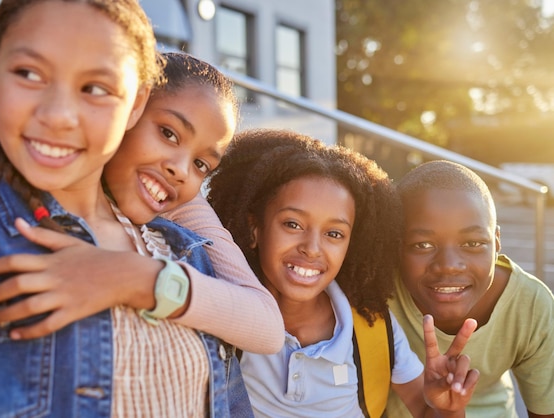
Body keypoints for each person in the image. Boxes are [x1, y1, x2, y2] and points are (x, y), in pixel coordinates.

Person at [0, 1, 257, 416]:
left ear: (134, 104)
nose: (59, 116)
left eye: (96, 88)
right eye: (29, 74)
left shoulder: (187, 250)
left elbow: (264, 327)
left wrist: (136, 278)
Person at [0, 51, 283, 354]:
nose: (180, 169)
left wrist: (136, 278)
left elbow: (266, 327)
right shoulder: (4, 156)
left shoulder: (181, 204)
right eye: (169, 133)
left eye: (201, 164)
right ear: (126, 114)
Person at [206, 129, 479, 418]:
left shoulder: (372, 329)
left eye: (334, 233)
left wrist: (448, 408)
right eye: (293, 224)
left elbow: (427, 413)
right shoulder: (226, 313)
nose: (312, 249)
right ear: (254, 229)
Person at [385, 160, 554, 418]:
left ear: (497, 242)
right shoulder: (375, 294)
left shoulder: (532, 305)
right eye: (423, 245)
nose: (449, 266)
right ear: (397, 247)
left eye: (473, 242)